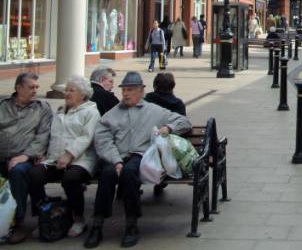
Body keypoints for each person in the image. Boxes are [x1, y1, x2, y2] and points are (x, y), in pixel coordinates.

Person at [84, 72, 191, 249]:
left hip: (139, 156)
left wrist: (168, 127)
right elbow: (103, 140)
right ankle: (98, 224)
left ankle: (131, 225)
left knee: (129, 172)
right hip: (114, 155)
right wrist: (116, 160)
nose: (126, 94)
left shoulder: (154, 111)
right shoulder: (112, 114)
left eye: (131, 90)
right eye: (124, 90)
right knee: (107, 174)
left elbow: (183, 122)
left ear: (141, 91)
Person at [28, 76, 100, 238]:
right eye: (66, 90)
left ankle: (78, 218)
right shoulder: (60, 111)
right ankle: (45, 215)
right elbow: (52, 136)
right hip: (55, 159)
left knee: (71, 179)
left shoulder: (91, 112)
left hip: (81, 160)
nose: (67, 93)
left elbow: (86, 138)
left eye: (71, 90)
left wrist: (69, 155)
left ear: (83, 95)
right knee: (34, 175)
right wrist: (44, 153)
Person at [0, 73, 53, 244]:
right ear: (18, 88)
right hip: (2, 155)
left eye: (37, 87)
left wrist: (24, 156)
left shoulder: (42, 108)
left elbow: (42, 137)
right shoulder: (3, 106)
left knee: (17, 172)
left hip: (26, 158)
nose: (35, 90)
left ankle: (18, 223)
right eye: (31, 87)